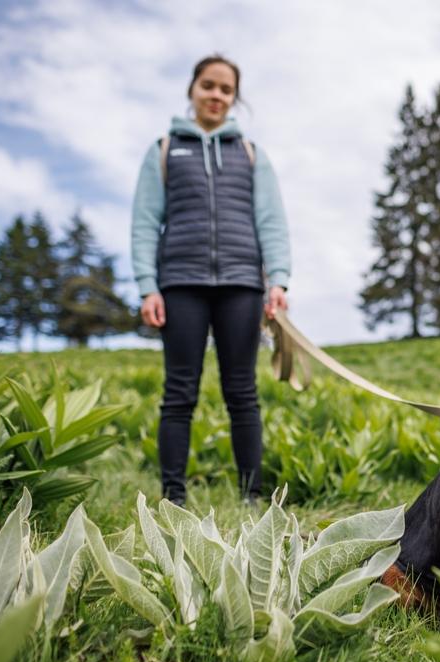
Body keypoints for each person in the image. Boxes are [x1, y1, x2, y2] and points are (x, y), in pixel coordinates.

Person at [131, 54, 291, 506]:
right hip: (180, 282)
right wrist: (148, 285)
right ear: (192, 89)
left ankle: (251, 497)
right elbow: (145, 221)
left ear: (234, 97)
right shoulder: (164, 149)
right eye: (209, 86)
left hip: (242, 284)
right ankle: (174, 497)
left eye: (226, 89)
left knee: (242, 392)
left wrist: (277, 280)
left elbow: (271, 220)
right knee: (178, 392)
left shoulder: (250, 153)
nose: (216, 95)